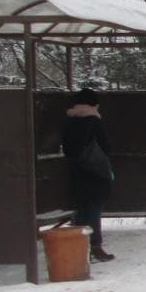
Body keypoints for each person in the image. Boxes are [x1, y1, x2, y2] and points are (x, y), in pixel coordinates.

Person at [60, 87, 115, 262]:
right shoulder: (93, 121)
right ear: (94, 104)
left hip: (77, 172)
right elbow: (106, 146)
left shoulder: (69, 121)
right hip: (95, 171)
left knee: (82, 209)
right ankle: (95, 245)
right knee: (94, 209)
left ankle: (79, 246)